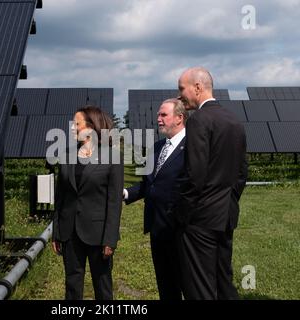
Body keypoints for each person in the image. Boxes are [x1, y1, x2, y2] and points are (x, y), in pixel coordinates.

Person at [177, 67, 248, 300]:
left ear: (197, 87)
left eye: (182, 89)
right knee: (223, 278)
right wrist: (229, 200)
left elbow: (194, 175)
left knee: (201, 285)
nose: (180, 95)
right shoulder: (234, 120)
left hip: (201, 219)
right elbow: (241, 173)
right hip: (226, 215)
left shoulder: (198, 120)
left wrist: (183, 213)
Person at [52, 106, 124, 300]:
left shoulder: (112, 157)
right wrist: (56, 232)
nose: (72, 128)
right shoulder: (66, 155)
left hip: (98, 234)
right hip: (69, 232)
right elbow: (60, 197)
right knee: (72, 285)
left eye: (77, 124)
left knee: (102, 285)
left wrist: (110, 238)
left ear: (92, 126)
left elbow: (114, 202)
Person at [123, 98, 188, 300]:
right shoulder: (157, 147)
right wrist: (125, 194)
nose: (158, 119)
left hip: (181, 229)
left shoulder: (194, 145)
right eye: (158, 115)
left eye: (163, 115)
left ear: (179, 118)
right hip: (157, 227)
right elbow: (148, 184)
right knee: (166, 284)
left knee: (188, 283)